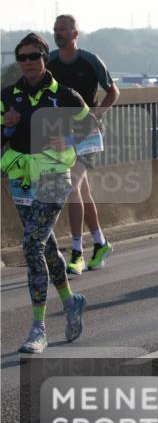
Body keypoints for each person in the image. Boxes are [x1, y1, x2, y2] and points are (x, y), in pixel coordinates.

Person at [2, 33, 92, 354]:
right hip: (21, 180)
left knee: (31, 245)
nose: (27, 63)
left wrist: (67, 140)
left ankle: (38, 328)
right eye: (21, 58)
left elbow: (93, 127)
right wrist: (8, 127)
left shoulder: (65, 95)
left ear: (44, 57)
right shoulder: (7, 95)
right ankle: (71, 302)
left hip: (54, 177)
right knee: (46, 247)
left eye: (33, 57)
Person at [47, 15, 118, 274]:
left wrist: (96, 116)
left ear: (75, 34)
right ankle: (100, 243)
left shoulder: (90, 61)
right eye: (55, 30)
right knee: (83, 192)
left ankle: (76, 252)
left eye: (63, 29)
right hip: (61, 135)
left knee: (71, 187)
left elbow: (113, 92)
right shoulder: (49, 62)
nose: (58, 33)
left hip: (87, 133)